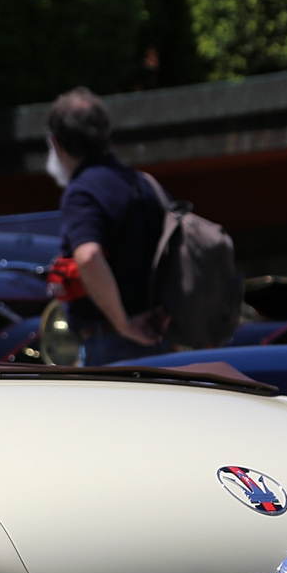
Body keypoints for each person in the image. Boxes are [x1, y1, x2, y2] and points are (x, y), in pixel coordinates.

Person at [46, 87, 166, 366]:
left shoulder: (82, 192)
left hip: (113, 345)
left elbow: (87, 256)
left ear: (57, 144)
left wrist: (122, 323)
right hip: (161, 337)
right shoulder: (145, 183)